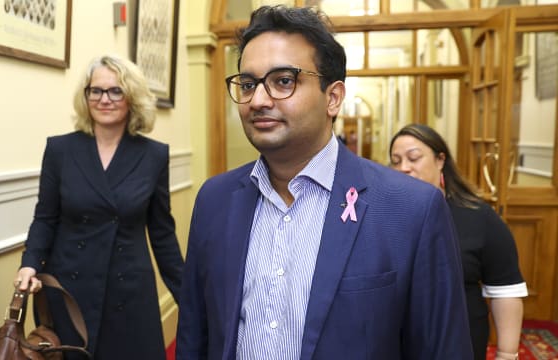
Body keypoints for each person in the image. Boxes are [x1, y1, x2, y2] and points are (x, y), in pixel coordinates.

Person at [176, 5, 473, 359]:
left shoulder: (411, 209)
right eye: (248, 83)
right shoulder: (215, 200)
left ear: (333, 97)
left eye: (283, 81)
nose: (257, 100)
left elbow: (442, 349)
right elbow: (195, 333)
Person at [14, 54, 184, 359]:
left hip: (129, 292)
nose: (104, 99)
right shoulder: (60, 150)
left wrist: (187, 296)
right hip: (68, 294)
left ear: (131, 97)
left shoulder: (154, 155)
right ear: (86, 96)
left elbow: (162, 234)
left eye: (115, 91)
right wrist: (29, 263)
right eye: (96, 90)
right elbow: (45, 219)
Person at [389, 124, 528, 360]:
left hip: (460, 340)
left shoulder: (478, 217)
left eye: (414, 158)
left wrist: (506, 354)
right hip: (396, 341)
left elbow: (505, 290)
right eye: (395, 160)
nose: (404, 168)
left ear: (440, 160)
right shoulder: (384, 215)